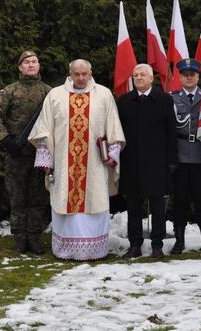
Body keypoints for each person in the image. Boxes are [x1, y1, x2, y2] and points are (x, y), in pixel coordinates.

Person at [28, 59, 125, 260]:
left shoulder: (104, 95)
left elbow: (113, 127)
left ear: (90, 74)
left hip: (95, 164)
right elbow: (43, 129)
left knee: (93, 200)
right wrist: (46, 161)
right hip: (64, 164)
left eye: (84, 74)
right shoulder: (55, 95)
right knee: (65, 201)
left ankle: (94, 250)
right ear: (70, 74)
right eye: (77, 74)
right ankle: (66, 250)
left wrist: (112, 154)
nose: (81, 78)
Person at [0, 50, 51, 253]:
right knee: (18, 197)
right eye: (27, 62)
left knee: (38, 197)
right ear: (20, 67)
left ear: (39, 66)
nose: (31, 65)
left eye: (34, 62)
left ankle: (34, 238)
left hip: (41, 154)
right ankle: (20, 238)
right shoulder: (11, 91)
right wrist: (6, 139)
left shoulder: (49, 92)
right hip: (17, 153)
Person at [117, 63, 178, 259]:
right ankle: (134, 244)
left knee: (157, 206)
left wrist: (172, 160)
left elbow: (171, 132)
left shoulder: (164, 100)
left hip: (157, 162)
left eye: (143, 75)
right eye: (135, 75)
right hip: (131, 161)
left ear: (152, 78)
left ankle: (157, 245)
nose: (139, 78)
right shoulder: (125, 101)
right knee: (134, 205)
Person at [170, 58, 201, 254]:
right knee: (180, 201)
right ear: (180, 77)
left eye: (192, 74)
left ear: (198, 77)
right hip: (179, 154)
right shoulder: (171, 97)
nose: (189, 77)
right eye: (185, 75)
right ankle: (179, 241)